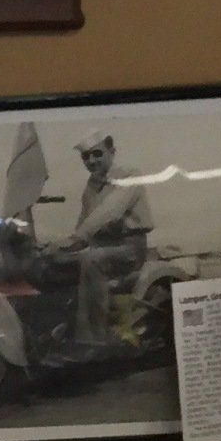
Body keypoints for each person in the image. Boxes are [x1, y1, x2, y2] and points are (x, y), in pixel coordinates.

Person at [61, 132, 153, 347]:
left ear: (112, 152)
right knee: (58, 263)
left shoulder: (130, 176)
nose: (91, 160)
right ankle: (61, 329)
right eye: (85, 157)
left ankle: (92, 341)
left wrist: (79, 237)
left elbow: (110, 211)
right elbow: (85, 220)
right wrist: (63, 246)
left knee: (92, 260)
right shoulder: (91, 186)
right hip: (103, 246)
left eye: (97, 154)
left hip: (129, 248)